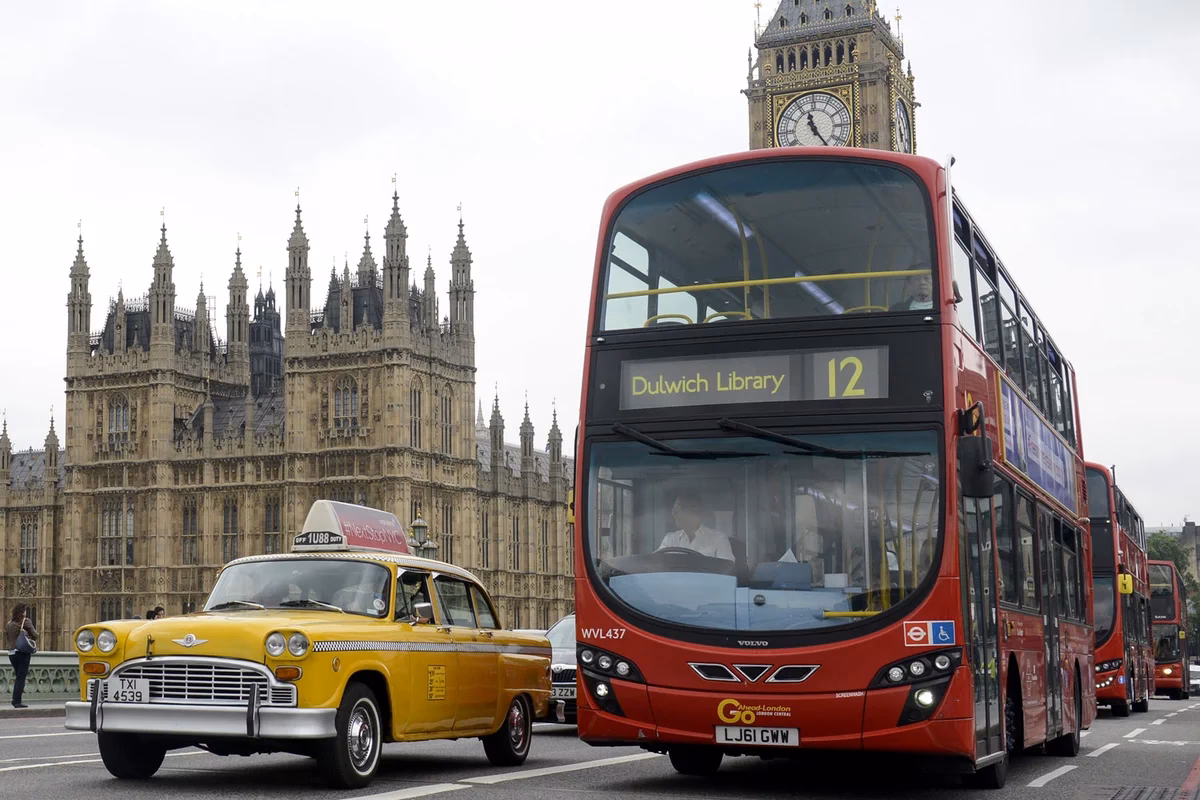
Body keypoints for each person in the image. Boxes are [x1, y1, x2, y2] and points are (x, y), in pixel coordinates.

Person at [656, 491, 734, 561]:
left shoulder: (718, 539)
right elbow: (655, 564)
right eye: (673, 510)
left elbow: (726, 569)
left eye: (677, 509)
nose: (673, 514)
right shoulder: (670, 540)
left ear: (694, 512)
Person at [5, 604, 38, 709]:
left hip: (11, 653)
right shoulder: (25, 621)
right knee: (21, 677)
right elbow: (35, 635)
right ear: (22, 612)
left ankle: (16, 699)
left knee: (18, 676)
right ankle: (17, 700)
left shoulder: (9, 624)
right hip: (22, 652)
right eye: (25, 610)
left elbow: (8, 638)